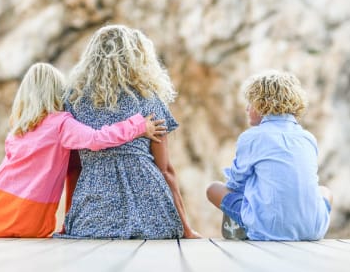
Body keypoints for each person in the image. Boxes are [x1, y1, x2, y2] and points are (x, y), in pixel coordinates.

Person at [0, 62, 166, 238]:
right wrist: (138, 126)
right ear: (58, 92)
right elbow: (96, 139)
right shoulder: (60, 124)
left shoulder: (17, 130)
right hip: (25, 218)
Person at [56, 25, 201, 240]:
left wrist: (70, 220)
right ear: (138, 58)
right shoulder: (150, 100)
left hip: (93, 218)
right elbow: (166, 170)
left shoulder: (73, 101)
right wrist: (187, 229)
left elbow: (74, 169)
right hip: (153, 218)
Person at [206, 70, 332, 241]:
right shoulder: (308, 138)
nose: (247, 108)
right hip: (313, 230)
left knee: (214, 189)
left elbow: (236, 183)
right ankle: (303, 225)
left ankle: (245, 228)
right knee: (325, 191)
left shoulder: (252, 137)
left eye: (250, 103)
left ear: (261, 105)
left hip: (268, 229)